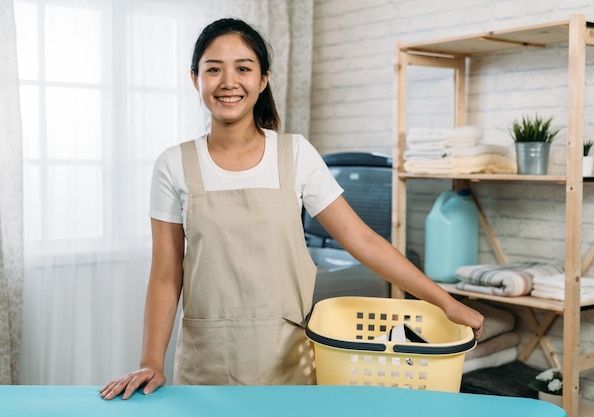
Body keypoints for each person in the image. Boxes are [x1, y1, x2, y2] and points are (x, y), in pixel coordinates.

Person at [100, 17, 483, 400]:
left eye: (243, 68)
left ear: (263, 79)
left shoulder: (295, 153)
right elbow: (166, 275)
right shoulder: (173, 163)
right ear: (194, 78)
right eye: (213, 69)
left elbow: (361, 239)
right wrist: (151, 360)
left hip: (287, 363)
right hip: (205, 365)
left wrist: (446, 302)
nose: (228, 81)